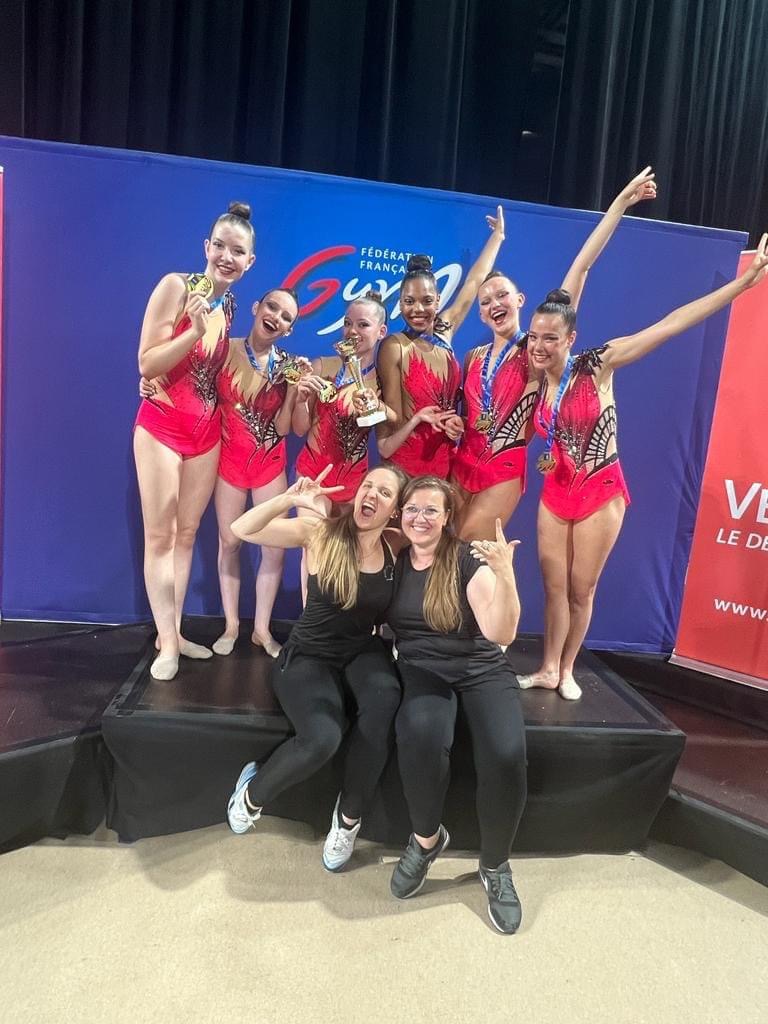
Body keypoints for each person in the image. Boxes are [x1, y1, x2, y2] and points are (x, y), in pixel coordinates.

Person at [520, 234, 768, 701]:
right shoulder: (536, 377)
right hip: (556, 491)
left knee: (580, 590)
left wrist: (742, 285)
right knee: (553, 588)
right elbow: (576, 271)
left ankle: (568, 669)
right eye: (534, 336)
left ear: (570, 339)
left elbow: (670, 325)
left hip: (600, 492)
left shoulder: (598, 364)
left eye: (550, 338)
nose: (538, 345)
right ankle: (548, 667)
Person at [451, 169, 658, 540]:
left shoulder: (534, 352)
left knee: (466, 546)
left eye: (502, 295)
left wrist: (619, 205)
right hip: (461, 462)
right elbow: (467, 416)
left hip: (503, 467)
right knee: (444, 551)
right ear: (480, 313)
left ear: (519, 301)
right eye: (486, 301)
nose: (495, 303)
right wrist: (454, 424)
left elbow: (581, 267)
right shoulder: (473, 358)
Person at [225, 463, 408, 873]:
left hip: (361, 650)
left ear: (395, 510)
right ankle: (252, 794)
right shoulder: (320, 532)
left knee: (385, 701)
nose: (372, 495)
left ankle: (348, 818)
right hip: (309, 655)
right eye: (368, 486)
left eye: (384, 492)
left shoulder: (395, 544)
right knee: (323, 737)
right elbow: (242, 529)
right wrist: (288, 499)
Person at [386, 476, 526, 935]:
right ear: (400, 514)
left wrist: (506, 576)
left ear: (447, 517)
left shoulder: (466, 559)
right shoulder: (393, 560)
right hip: (423, 669)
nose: (420, 518)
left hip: (480, 667)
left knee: (505, 753)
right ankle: (427, 841)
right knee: (420, 736)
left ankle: (495, 865)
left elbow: (501, 633)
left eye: (431, 510)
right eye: (412, 509)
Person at [133, 201, 255, 681]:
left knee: (186, 535)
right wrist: (194, 331)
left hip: (206, 435)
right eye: (220, 246)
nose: (227, 256)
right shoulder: (176, 287)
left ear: (249, 262)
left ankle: (175, 632)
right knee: (160, 536)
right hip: (162, 427)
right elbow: (147, 362)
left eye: (237, 251)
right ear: (206, 247)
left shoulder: (230, 306)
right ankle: (166, 643)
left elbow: (212, 372)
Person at [376, 208, 506, 478]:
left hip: (445, 459)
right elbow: (393, 420)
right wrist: (422, 419)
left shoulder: (445, 331)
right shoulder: (394, 347)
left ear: (438, 301)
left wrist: (498, 237)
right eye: (409, 301)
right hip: (406, 464)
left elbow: (473, 283)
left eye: (426, 301)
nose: (418, 309)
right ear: (400, 303)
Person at [212, 287, 302, 658]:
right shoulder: (224, 350)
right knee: (229, 543)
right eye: (272, 307)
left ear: (289, 330)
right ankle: (232, 625)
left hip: (269, 464)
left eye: (286, 317)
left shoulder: (289, 366)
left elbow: (283, 428)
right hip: (229, 464)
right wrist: (153, 383)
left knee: (274, 549)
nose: (275, 317)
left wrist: (294, 391)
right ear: (256, 307)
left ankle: (261, 630)